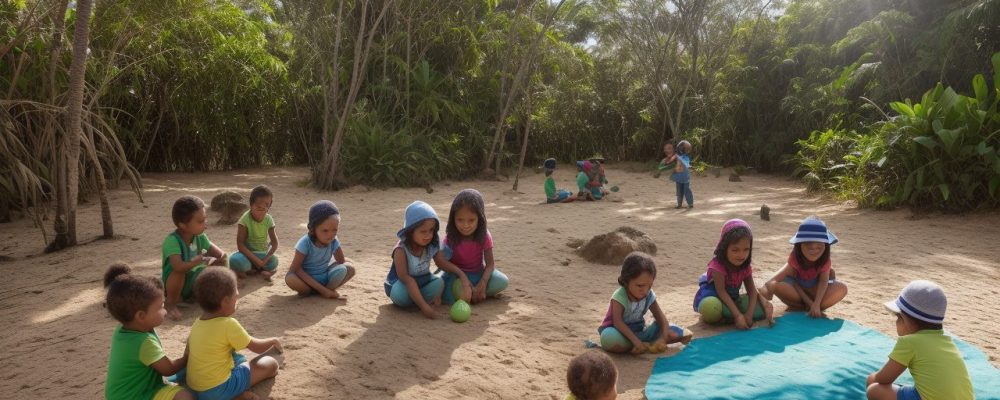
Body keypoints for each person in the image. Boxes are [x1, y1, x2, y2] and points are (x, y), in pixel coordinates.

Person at [866, 280, 974, 400]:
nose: (896, 322)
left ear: (906, 320)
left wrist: (870, 380)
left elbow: (883, 378)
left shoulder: (909, 342)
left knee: (874, 389)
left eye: (898, 317)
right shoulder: (946, 340)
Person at [186, 268, 281, 400]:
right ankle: (235, 396)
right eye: (236, 296)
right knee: (270, 364)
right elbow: (257, 347)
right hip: (217, 390)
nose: (238, 297)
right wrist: (272, 341)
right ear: (225, 301)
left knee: (236, 357)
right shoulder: (228, 324)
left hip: (194, 387)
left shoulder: (198, 323)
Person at [104, 263, 194, 400]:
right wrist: (187, 356)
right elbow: (168, 368)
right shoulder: (143, 342)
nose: (164, 311)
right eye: (161, 307)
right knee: (185, 396)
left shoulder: (123, 330)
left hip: (120, 395)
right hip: (138, 395)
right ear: (141, 316)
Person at [384, 200, 472, 319]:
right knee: (400, 296)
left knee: (439, 283)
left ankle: (418, 300)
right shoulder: (400, 250)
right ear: (411, 231)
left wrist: (462, 275)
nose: (428, 235)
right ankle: (419, 302)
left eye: (431, 230)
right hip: (403, 284)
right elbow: (406, 279)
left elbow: (442, 263)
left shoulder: (432, 244)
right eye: (423, 231)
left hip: (423, 281)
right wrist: (424, 308)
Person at [598, 252, 692, 353]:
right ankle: (637, 344)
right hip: (620, 333)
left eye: (649, 286)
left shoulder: (649, 295)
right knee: (609, 338)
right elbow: (618, 323)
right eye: (640, 286)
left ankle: (644, 344)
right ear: (626, 280)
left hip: (640, 331)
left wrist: (663, 339)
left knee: (676, 332)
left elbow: (662, 319)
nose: (645, 290)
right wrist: (636, 342)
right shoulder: (620, 296)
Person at [692, 219, 774, 329]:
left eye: (746, 250)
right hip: (716, 299)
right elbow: (722, 292)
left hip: (733, 301)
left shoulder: (745, 266)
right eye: (735, 250)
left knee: (762, 310)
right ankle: (730, 316)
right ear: (725, 248)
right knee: (710, 308)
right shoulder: (717, 266)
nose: (741, 255)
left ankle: (728, 318)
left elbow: (752, 291)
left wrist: (749, 315)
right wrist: (738, 315)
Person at [760, 216, 848, 317]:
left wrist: (816, 303)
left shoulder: (825, 260)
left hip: (816, 293)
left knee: (842, 288)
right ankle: (802, 307)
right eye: (808, 243)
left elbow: (823, 281)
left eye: (819, 244)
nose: (814, 248)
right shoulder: (794, 259)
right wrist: (764, 299)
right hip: (797, 295)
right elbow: (770, 283)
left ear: (826, 245)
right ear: (799, 245)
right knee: (775, 285)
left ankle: (815, 308)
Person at [162, 195, 228, 320]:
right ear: (183, 225)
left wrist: (217, 261)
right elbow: (178, 266)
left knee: (219, 263)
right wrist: (194, 263)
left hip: (194, 281)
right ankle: (170, 303)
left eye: (205, 219)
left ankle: (210, 296)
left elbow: (221, 255)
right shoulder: (172, 241)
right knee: (179, 271)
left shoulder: (200, 237)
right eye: (200, 221)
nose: (205, 224)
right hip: (176, 285)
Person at [441, 189, 509, 304]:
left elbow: (490, 264)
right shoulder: (450, 238)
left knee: (502, 281)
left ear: (480, 218)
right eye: (460, 220)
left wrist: (483, 283)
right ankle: (471, 294)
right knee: (445, 289)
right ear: (453, 219)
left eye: (471, 220)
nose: (465, 225)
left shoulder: (484, 236)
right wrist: (462, 278)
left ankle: (476, 292)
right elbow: (444, 263)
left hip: (478, 274)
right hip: (457, 277)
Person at [285, 200, 355, 299]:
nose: (330, 235)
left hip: (325, 277)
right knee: (290, 278)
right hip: (306, 281)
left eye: (334, 230)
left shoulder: (333, 239)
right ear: (313, 228)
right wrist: (324, 291)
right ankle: (318, 291)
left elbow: (341, 261)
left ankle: (324, 290)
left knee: (350, 268)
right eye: (325, 230)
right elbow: (295, 269)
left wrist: (336, 244)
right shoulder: (304, 243)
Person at [230, 185, 279, 280]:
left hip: (262, 255)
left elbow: (274, 243)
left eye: (266, 206)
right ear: (251, 204)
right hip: (247, 255)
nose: (262, 210)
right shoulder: (244, 220)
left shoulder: (269, 219)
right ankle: (257, 269)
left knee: (274, 261)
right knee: (235, 260)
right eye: (258, 207)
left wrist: (265, 259)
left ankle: (254, 269)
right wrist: (256, 261)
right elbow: (240, 245)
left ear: (270, 205)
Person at [673, 140, 694, 209]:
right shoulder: (678, 156)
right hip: (679, 177)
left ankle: (690, 204)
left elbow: (686, 164)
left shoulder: (685, 157)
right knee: (679, 191)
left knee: (686, 190)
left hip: (685, 178)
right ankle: (680, 204)